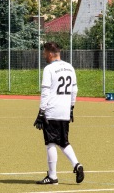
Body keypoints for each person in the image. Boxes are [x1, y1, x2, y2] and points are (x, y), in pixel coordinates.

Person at [33, 42, 84, 185]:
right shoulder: (70, 67)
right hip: (65, 111)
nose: (44, 55)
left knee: (50, 143)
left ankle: (53, 176)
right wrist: (71, 108)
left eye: (44, 53)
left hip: (52, 110)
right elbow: (75, 90)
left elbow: (45, 92)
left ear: (50, 53)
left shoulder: (49, 69)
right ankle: (76, 165)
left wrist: (41, 112)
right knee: (63, 141)